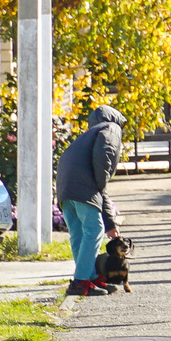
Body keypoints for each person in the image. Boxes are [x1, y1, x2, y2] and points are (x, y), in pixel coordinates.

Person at [56, 105, 123, 297]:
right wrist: (109, 222)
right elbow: (103, 162)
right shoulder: (111, 129)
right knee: (94, 230)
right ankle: (81, 281)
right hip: (83, 186)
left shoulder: (89, 134)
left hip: (64, 186)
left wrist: (110, 219)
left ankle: (89, 278)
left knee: (78, 234)